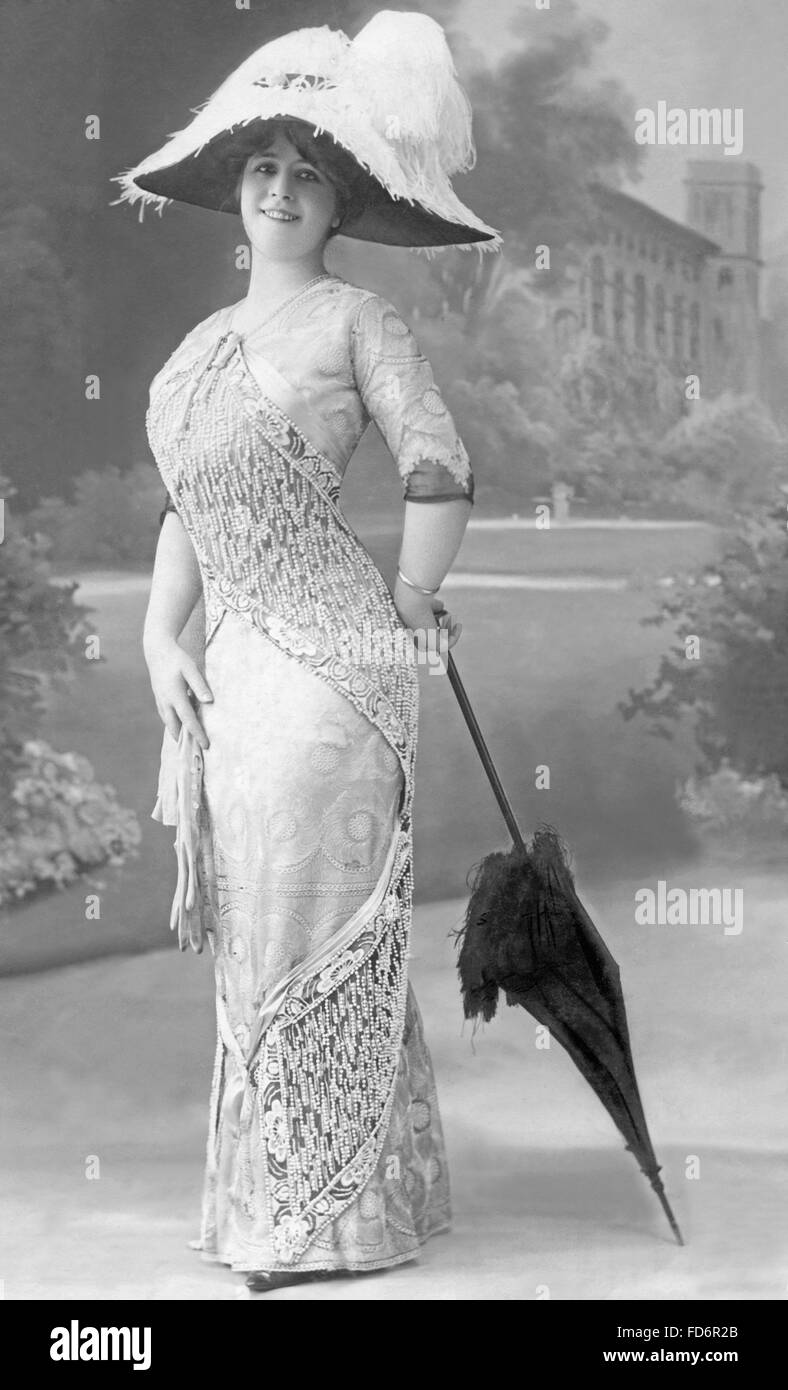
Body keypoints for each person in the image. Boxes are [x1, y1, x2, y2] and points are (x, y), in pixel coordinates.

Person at [116, 10, 501, 1293]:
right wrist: (155, 637)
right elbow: (187, 512)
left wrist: (409, 595)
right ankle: (322, 1193)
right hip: (232, 667)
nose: (280, 188)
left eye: (306, 171)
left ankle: (315, 1216)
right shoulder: (188, 360)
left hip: (338, 661)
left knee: (303, 907)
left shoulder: (356, 325)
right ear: (236, 190)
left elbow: (439, 467)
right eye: (263, 167)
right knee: (255, 917)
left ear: (338, 204)